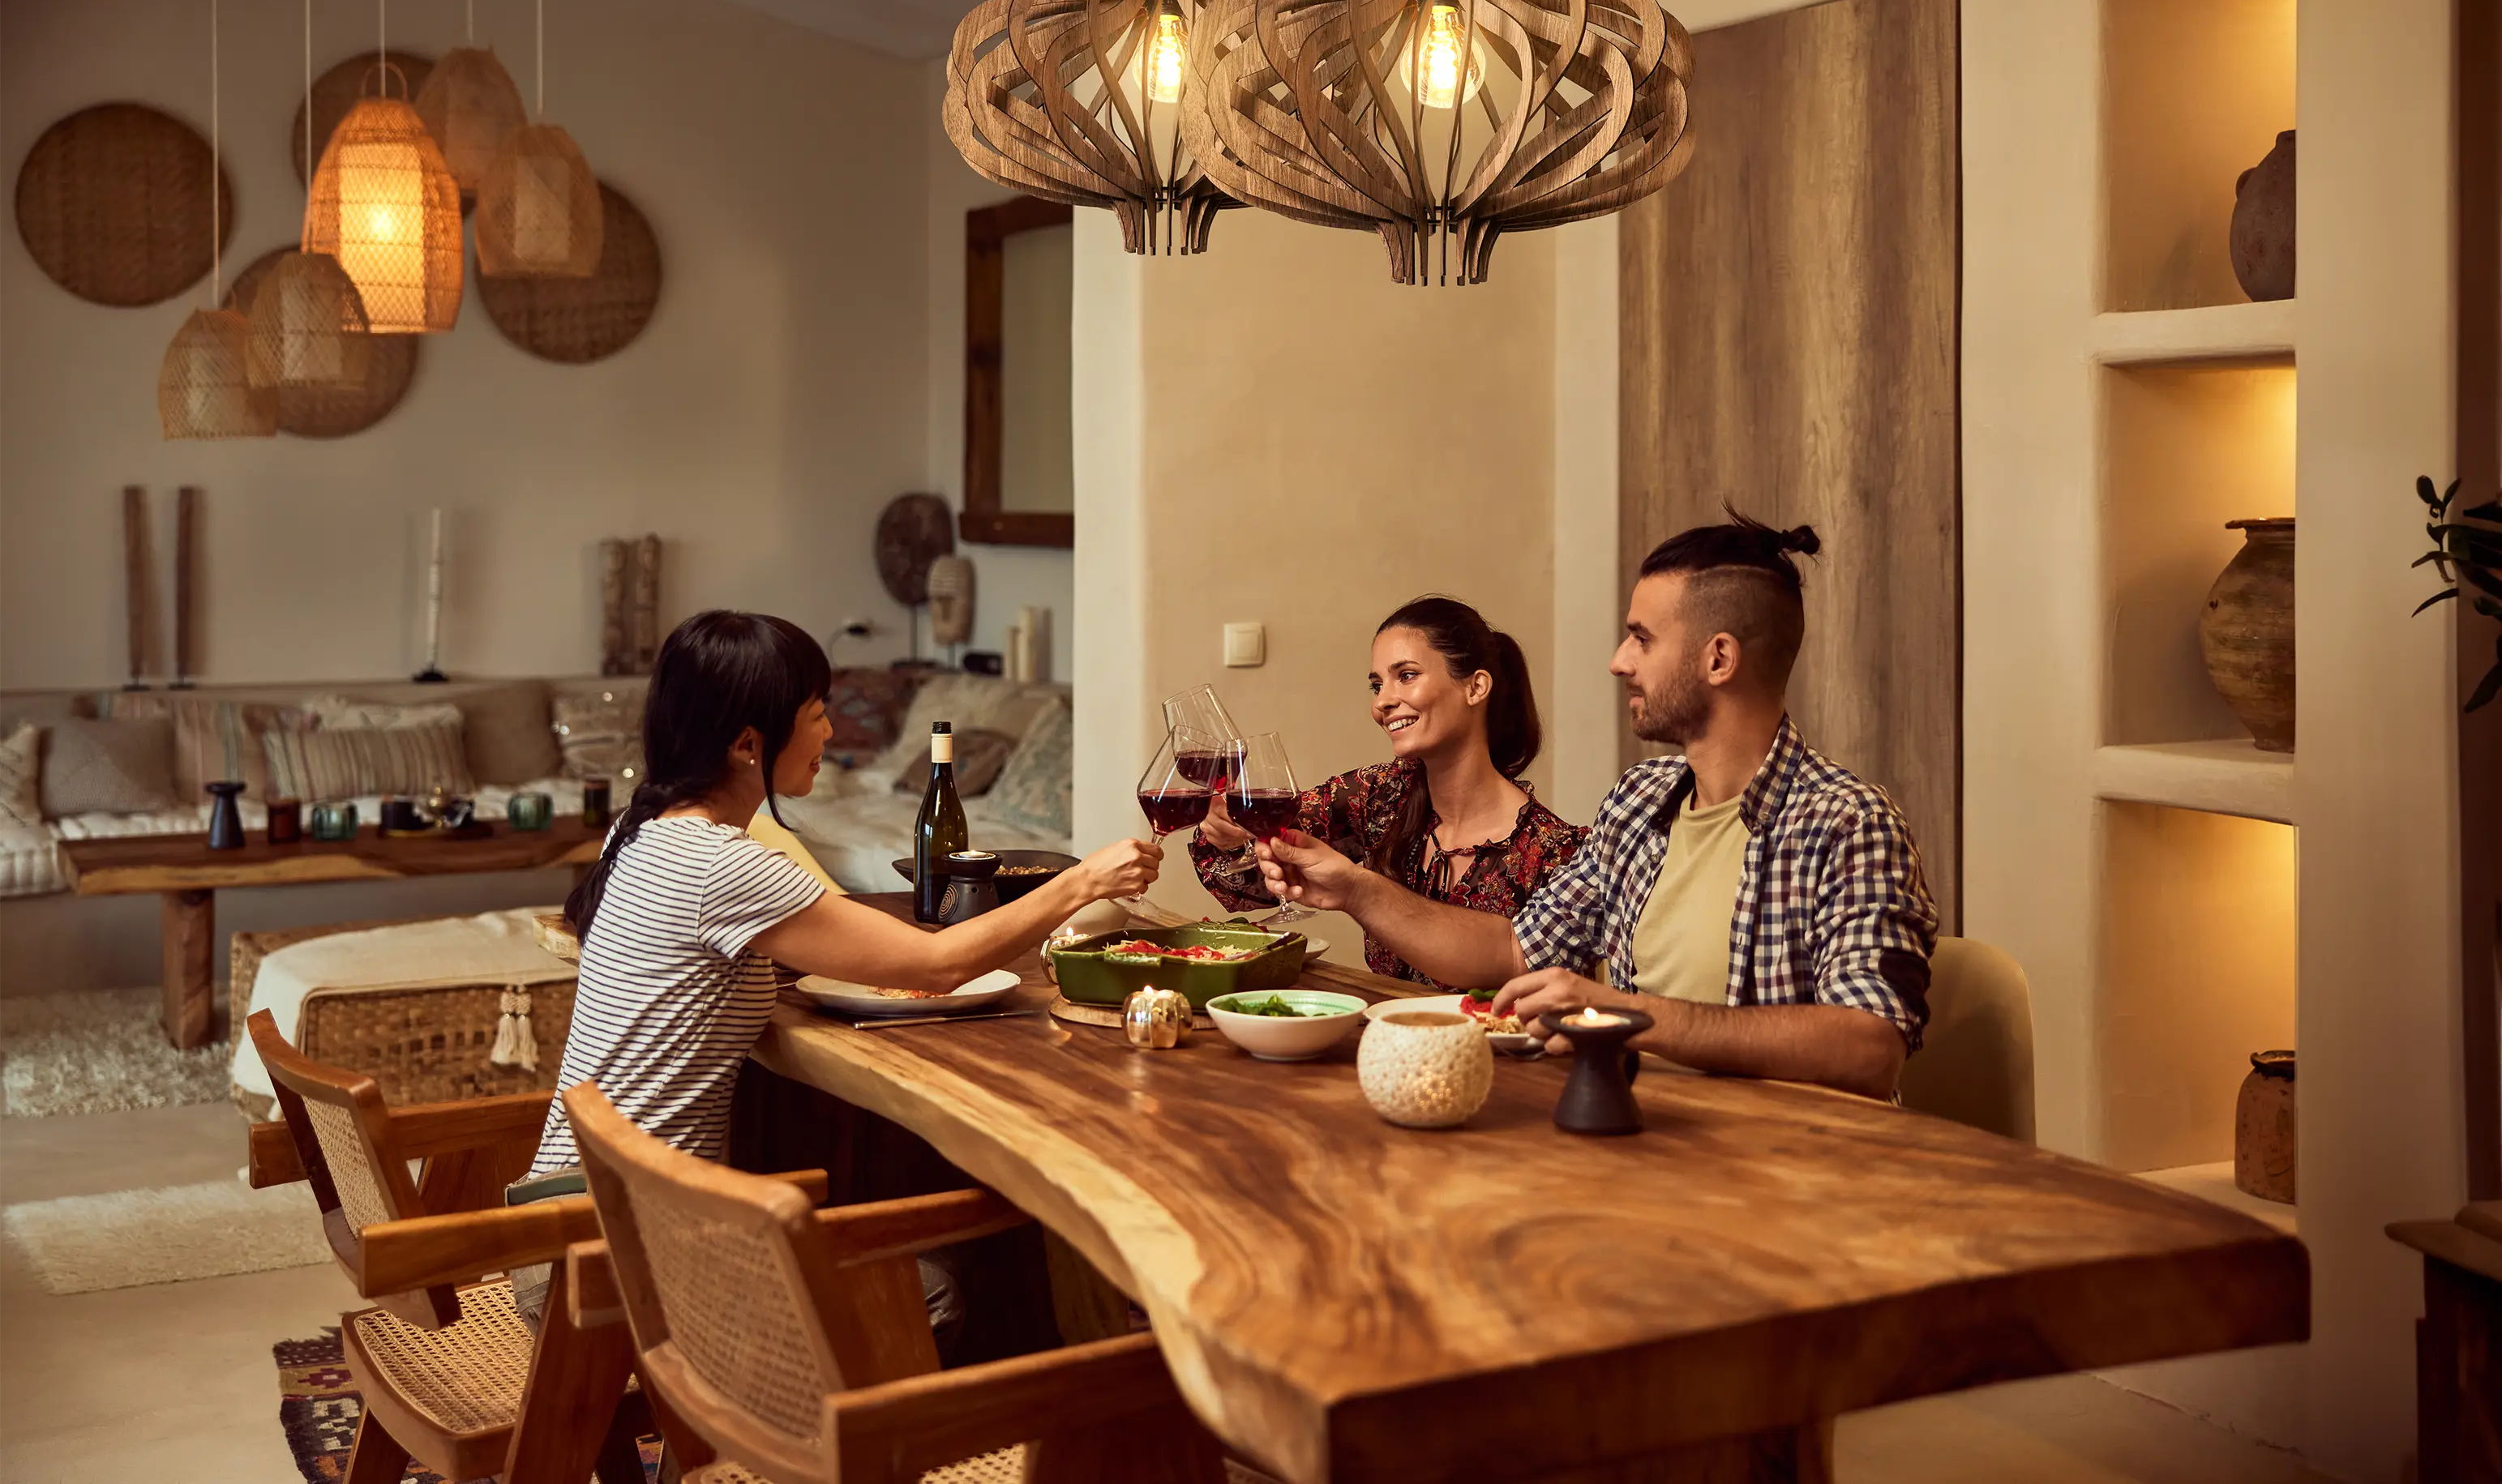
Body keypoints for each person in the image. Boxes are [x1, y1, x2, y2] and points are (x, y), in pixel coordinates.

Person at [508, 609, 1159, 1328]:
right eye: (815, 715)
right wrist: (1084, 881)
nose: (830, 735)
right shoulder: (724, 866)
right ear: (748, 743)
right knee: (948, 1277)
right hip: (625, 1257)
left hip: (571, 1226)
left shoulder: (642, 834)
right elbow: (940, 965)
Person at [1257, 513, 1937, 1100]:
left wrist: (1625, 1015)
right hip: (1634, 1136)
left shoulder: (1847, 821)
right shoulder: (1639, 803)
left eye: (1641, 638)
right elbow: (1514, 949)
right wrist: (1356, 890)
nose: (1618, 661)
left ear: (1718, 658)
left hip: (1780, 1173)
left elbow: (1870, 1048)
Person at [1189, 596, 1584, 986]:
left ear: (1476, 687)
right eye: (1377, 685)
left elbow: (1558, 1006)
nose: (1383, 702)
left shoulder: (1554, 854)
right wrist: (1228, 834)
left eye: (1406, 676)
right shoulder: (1378, 795)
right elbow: (1252, 889)